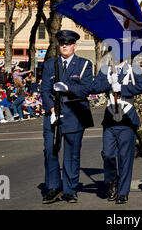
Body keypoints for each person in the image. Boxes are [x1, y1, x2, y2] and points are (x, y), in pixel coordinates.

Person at [41, 30, 94, 204]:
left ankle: (70, 190)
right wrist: (50, 109)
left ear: (74, 46)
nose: (65, 45)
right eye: (62, 43)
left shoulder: (84, 64)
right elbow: (44, 90)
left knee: (72, 154)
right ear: (58, 45)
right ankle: (53, 187)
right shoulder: (50, 64)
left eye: (69, 43)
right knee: (50, 151)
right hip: (53, 115)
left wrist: (68, 89)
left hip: (74, 114)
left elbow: (86, 89)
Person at [90, 55, 142, 204]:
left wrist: (122, 88)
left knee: (125, 157)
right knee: (108, 154)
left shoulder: (133, 69)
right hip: (110, 118)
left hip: (127, 118)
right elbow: (94, 87)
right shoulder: (105, 69)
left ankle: (123, 192)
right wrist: (109, 83)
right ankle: (113, 181)